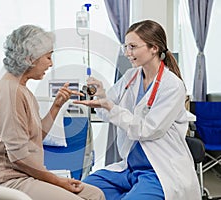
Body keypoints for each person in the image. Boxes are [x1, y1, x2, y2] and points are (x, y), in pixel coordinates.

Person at [73, 20, 201, 200]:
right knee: (80, 190)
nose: (127, 53)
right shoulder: (130, 77)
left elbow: (147, 129)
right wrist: (101, 97)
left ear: (154, 48)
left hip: (159, 170)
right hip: (129, 168)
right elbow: (107, 113)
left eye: (132, 47)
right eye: (126, 47)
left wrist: (110, 106)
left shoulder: (172, 86)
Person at [0, 25, 105, 200]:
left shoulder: (21, 89)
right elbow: (19, 158)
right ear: (29, 59)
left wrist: (56, 106)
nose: (51, 63)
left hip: (26, 176)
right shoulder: (9, 93)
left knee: (95, 194)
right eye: (48, 57)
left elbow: (35, 137)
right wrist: (57, 181)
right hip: (8, 182)